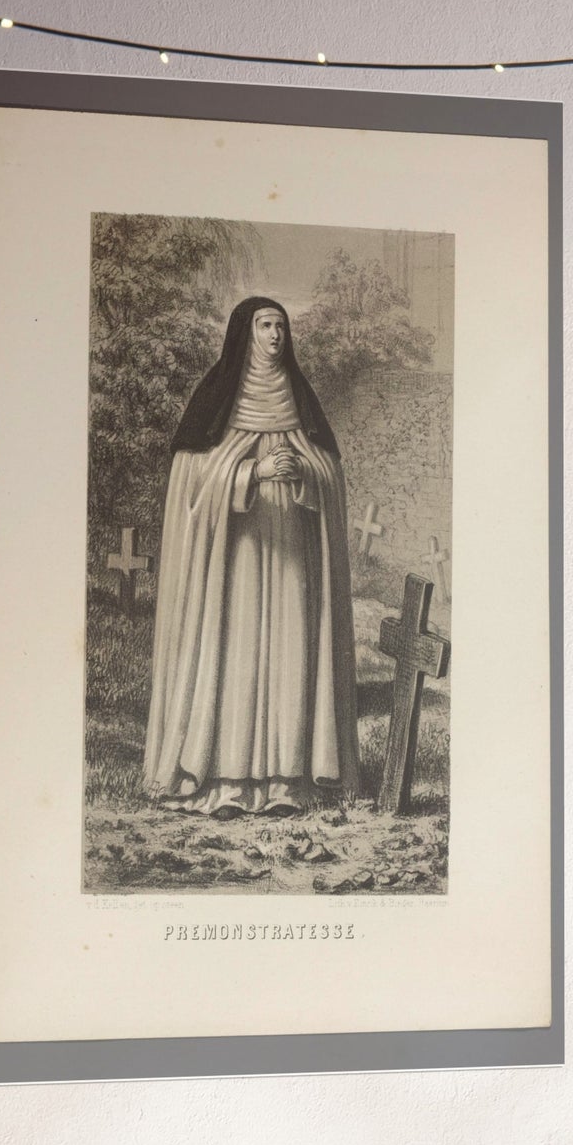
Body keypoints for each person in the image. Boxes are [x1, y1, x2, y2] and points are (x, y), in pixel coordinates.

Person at [143, 297, 359, 817]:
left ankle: (287, 783)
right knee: (234, 653)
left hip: (292, 560)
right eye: (265, 326)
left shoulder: (299, 407)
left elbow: (330, 471)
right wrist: (248, 474)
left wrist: (306, 475)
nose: (275, 336)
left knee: (290, 650)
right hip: (234, 560)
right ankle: (227, 782)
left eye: (281, 326)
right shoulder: (219, 403)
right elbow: (189, 480)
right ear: (246, 334)